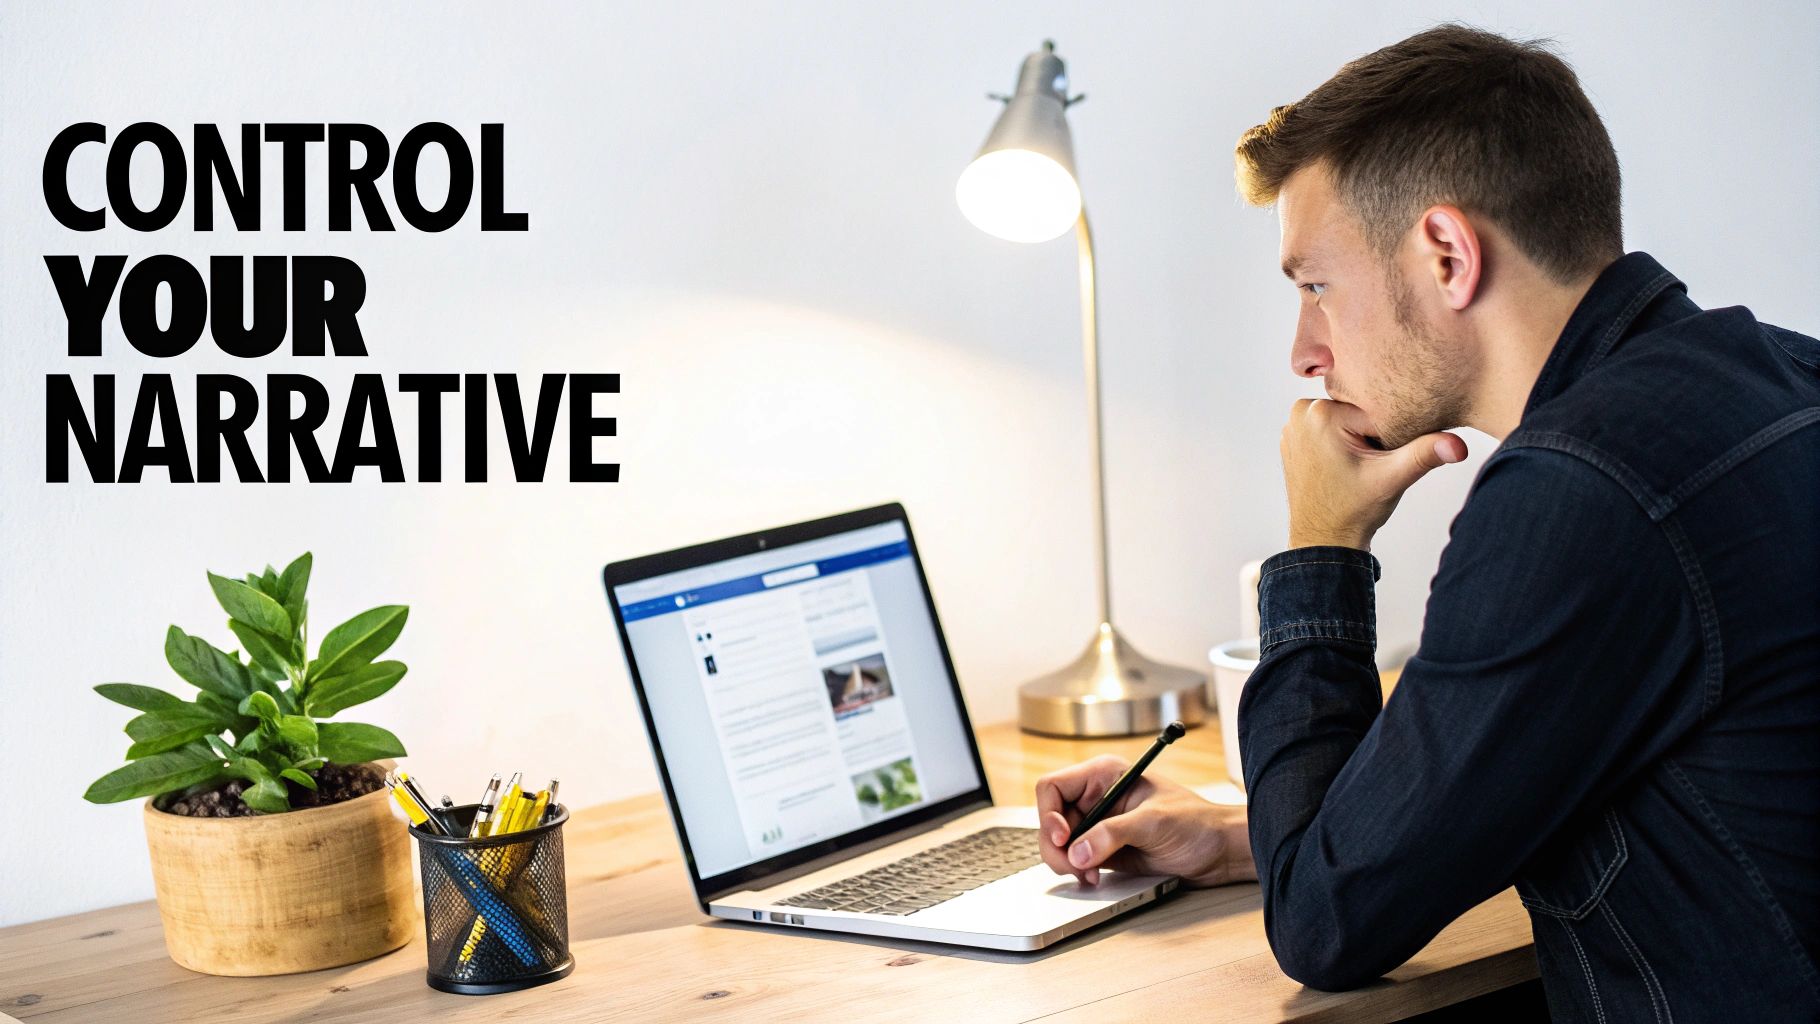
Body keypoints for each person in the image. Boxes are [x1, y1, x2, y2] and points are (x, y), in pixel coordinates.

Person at [1035, 24, 1820, 1021]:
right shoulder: (1785, 373)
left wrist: (1321, 544)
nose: (1303, 351)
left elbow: (1325, 924)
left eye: (1315, 286)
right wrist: (1245, 839)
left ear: (1447, 254)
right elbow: (1511, 782)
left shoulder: (1579, 492)